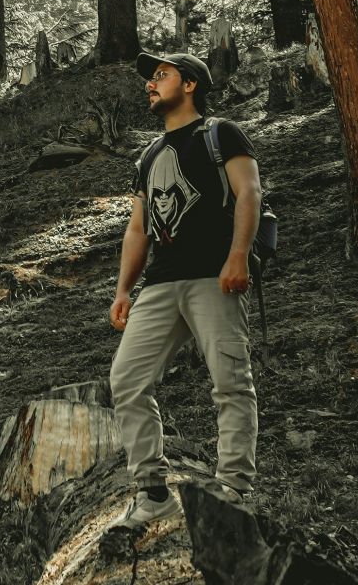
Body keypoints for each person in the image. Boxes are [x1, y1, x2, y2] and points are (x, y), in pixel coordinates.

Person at [107, 51, 260, 529]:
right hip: (160, 283)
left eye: (161, 76)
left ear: (189, 84)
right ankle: (153, 493)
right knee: (127, 380)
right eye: (149, 78)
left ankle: (233, 487)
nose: (151, 84)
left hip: (214, 276)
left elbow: (249, 192)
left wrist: (238, 255)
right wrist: (123, 289)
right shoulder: (149, 155)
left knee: (230, 381)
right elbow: (138, 228)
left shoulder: (221, 133)